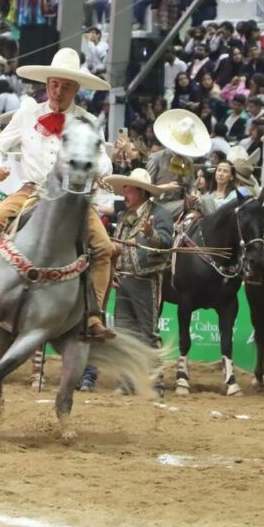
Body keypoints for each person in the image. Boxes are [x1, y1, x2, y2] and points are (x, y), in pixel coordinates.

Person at [0, 48, 115, 340]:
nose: (58, 91)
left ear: (76, 89)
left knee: (103, 247)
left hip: (72, 199)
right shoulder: (27, 115)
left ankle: (94, 316)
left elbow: (104, 159)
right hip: (32, 191)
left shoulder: (88, 122)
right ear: (47, 83)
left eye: (66, 86)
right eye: (54, 84)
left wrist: (97, 166)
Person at [91, 168, 172, 394]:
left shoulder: (160, 214)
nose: (124, 193)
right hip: (124, 279)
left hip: (146, 280)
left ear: (142, 192)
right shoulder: (123, 217)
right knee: (124, 333)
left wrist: (151, 234)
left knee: (147, 332)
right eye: (124, 188)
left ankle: (156, 382)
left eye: (128, 189)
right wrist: (114, 271)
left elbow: (166, 243)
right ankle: (127, 382)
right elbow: (119, 248)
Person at [146, 109, 212, 217]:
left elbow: (191, 185)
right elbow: (145, 189)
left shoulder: (188, 161)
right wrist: (164, 188)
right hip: (159, 205)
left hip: (182, 202)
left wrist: (194, 194)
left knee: (205, 200)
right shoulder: (157, 158)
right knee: (196, 204)